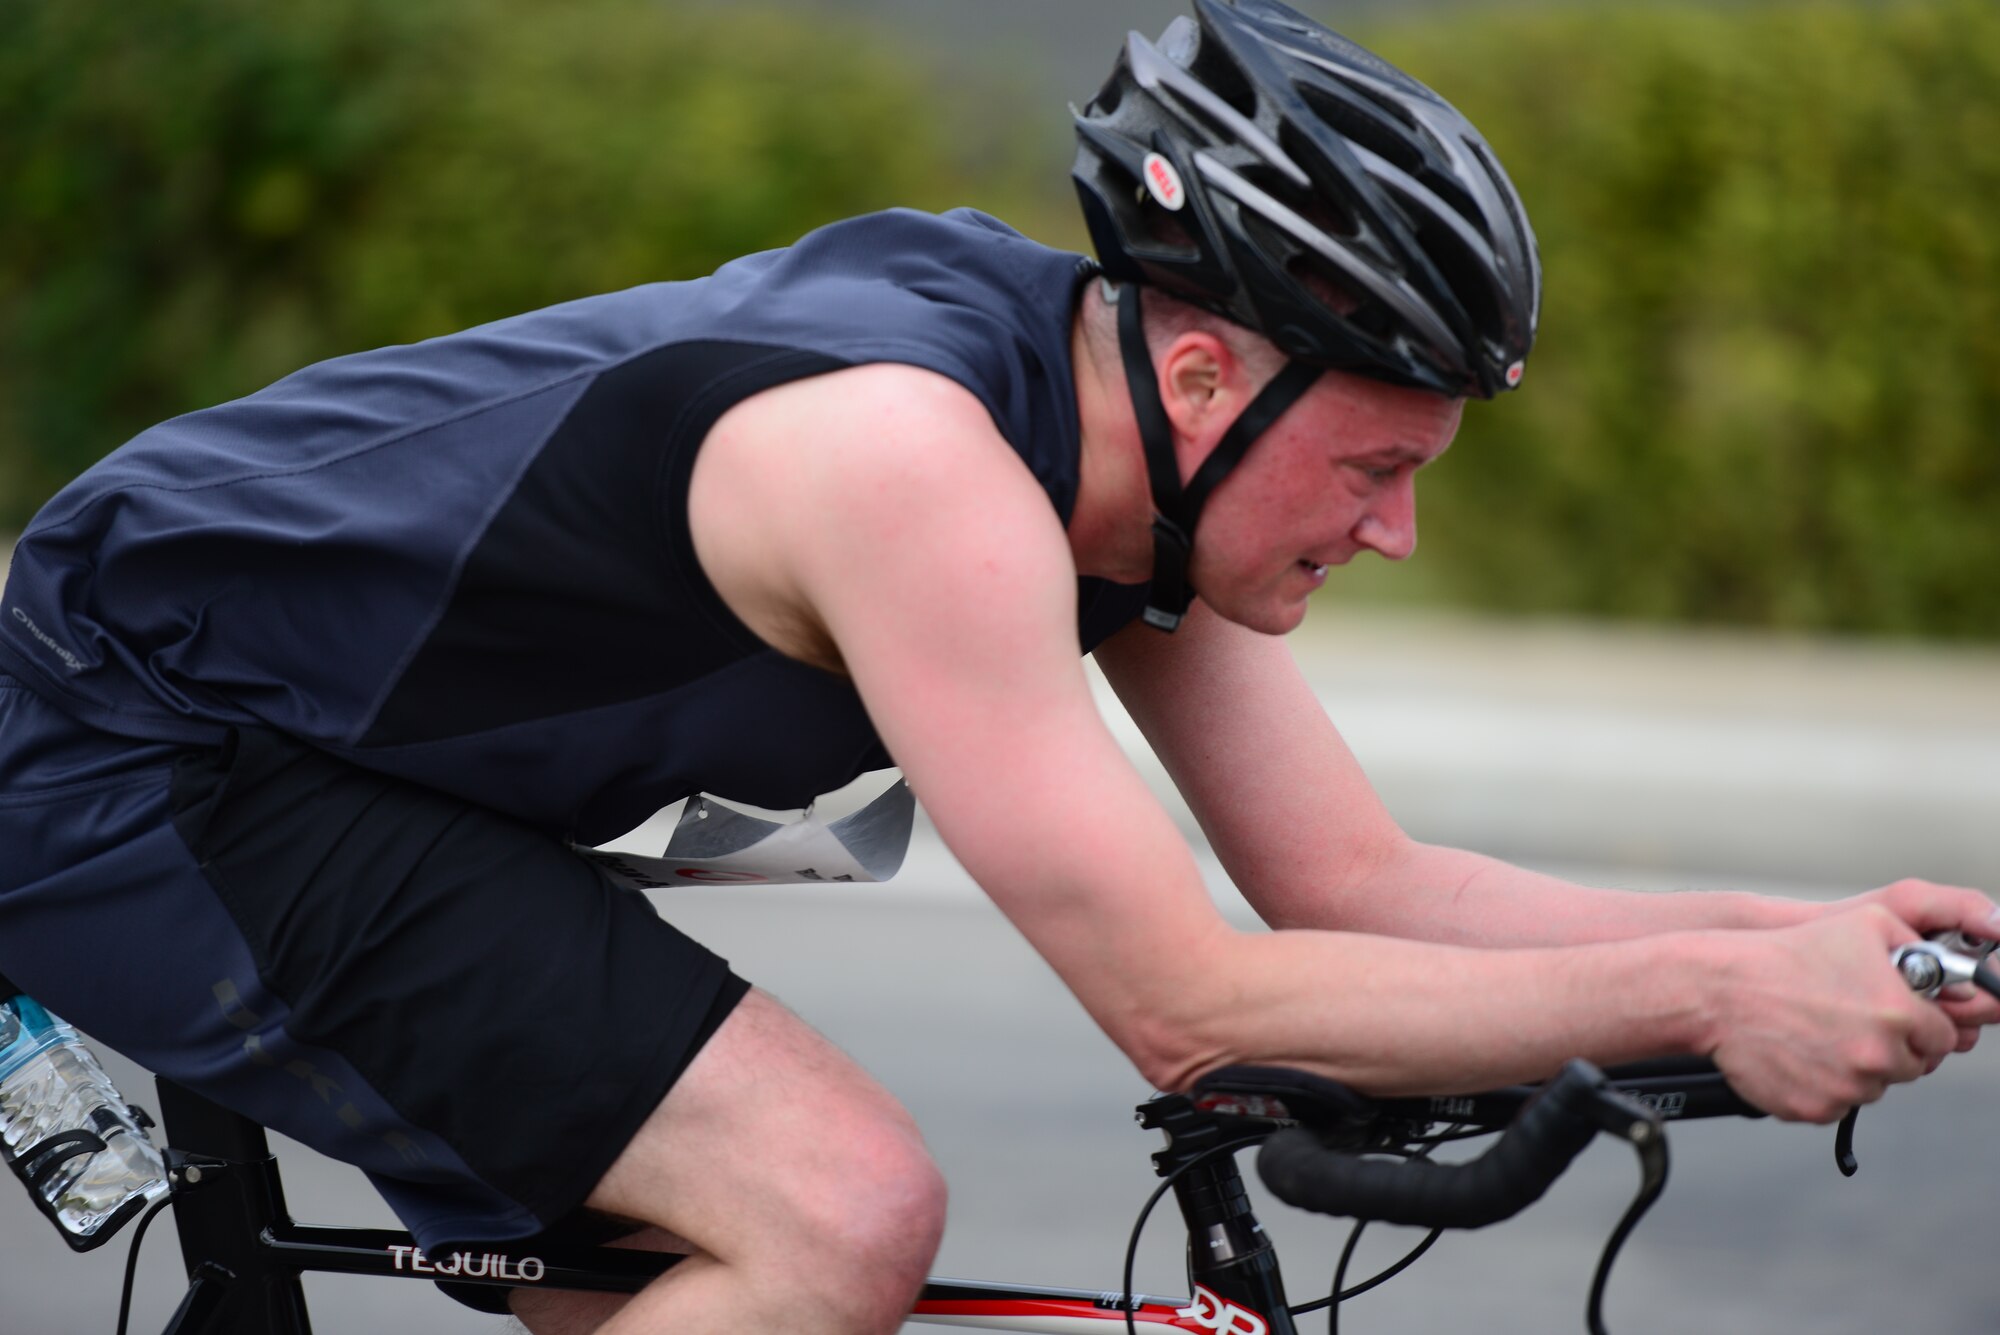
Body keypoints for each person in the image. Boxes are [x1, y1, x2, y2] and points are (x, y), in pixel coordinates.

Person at [0, 2, 1992, 1332]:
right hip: (136, 738)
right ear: (1203, 374)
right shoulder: (913, 463)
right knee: (833, 1211)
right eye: (1375, 468)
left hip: (368, 779)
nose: (1394, 531)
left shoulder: (1137, 475)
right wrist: (1714, 994)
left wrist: (1812, 942)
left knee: (729, 1268)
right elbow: (1188, 1012)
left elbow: (1360, 886)